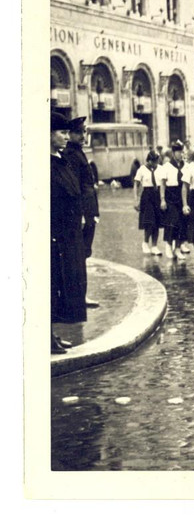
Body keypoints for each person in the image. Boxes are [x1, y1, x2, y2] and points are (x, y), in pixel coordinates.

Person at [51, 112, 86, 354]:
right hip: (56, 236)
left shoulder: (61, 159)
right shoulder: (48, 164)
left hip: (69, 235)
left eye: (66, 132)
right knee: (52, 286)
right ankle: (47, 336)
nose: (66, 137)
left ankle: (51, 333)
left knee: (62, 285)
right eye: (62, 133)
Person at [64, 117, 100, 308]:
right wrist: (84, 215)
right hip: (82, 212)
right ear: (70, 134)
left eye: (84, 132)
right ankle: (79, 295)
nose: (83, 136)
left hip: (88, 211)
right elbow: (76, 186)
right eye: (79, 132)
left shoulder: (79, 152)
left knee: (83, 253)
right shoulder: (71, 154)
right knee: (79, 255)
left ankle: (81, 294)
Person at [156, 141, 187, 259]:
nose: (181, 154)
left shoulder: (186, 166)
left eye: (182, 152)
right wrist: (162, 199)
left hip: (182, 196)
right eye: (179, 152)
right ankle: (168, 246)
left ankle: (177, 248)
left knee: (182, 222)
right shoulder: (167, 167)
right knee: (172, 222)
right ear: (174, 153)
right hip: (171, 195)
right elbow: (162, 184)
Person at [133, 150, 162, 255]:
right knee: (149, 221)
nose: (155, 163)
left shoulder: (160, 169)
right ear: (149, 160)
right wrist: (136, 199)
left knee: (157, 223)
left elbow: (163, 183)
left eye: (157, 161)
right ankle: (145, 242)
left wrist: (163, 199)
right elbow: (136, 184)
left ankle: (154, 246)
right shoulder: (142, 169)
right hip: (147, 196)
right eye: (154, 161)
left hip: (157, 195)